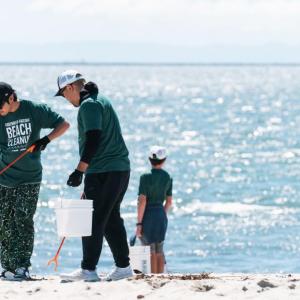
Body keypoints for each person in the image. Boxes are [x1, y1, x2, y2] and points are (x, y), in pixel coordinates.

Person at [55, 70, 132, 281]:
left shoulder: (89, 105)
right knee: (111, 219)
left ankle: (88, 270)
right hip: (119, 169)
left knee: (93, 219)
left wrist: (79, 170)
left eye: (63, 94)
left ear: (71, 87)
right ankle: (124, 268)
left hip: (104, 170)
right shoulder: (101, 100)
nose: (65, 99)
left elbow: (94, 138)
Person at [0, 82, 70, 280]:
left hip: (30, 178)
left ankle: (22, 266)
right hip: (4, 178)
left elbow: (63, 124)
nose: (0, 111)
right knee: (4, 223)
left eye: (0, 106)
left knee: (23, 220)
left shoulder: (34, 110)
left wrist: (45, 140)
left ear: (11, 98)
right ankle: (7, 267)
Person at [136, 146, 172, 273]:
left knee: (149, 248)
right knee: (159, 248)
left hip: (148, 214)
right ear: (164, 160)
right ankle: (160, 275)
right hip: (161, 214)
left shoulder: (145, 177)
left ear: (150, 159)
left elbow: (142, 201)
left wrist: (139, 223)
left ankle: (153, 276)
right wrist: (163, 214)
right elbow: (169, 202)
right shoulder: (168, 177)